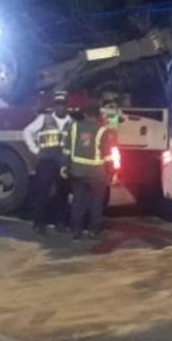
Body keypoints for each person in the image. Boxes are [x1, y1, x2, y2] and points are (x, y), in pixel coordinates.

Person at [63, 100, 116, 240]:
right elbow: (107, 155)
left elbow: (67, 150)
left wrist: (64, 167)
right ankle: (93, 230)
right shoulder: (102, 130)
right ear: (98, 114)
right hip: (97, 174)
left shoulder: (74, 128)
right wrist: (111, 172)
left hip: (77, 172)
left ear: (85, 114)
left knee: (78, 202)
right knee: (96, 202)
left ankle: (75, 231)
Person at [22, 90, 72, 234]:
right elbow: (27, 132)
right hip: (46, 162)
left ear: (67, 106)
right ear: (54, 106)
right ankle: (39, 224)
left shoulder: (72, 123)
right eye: (58, 105)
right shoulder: (44, 119)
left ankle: (61, 224)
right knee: (42, 193)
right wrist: (35, 149)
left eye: (63, 105)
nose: (60, 107)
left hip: (63, 163)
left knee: (62, 194)